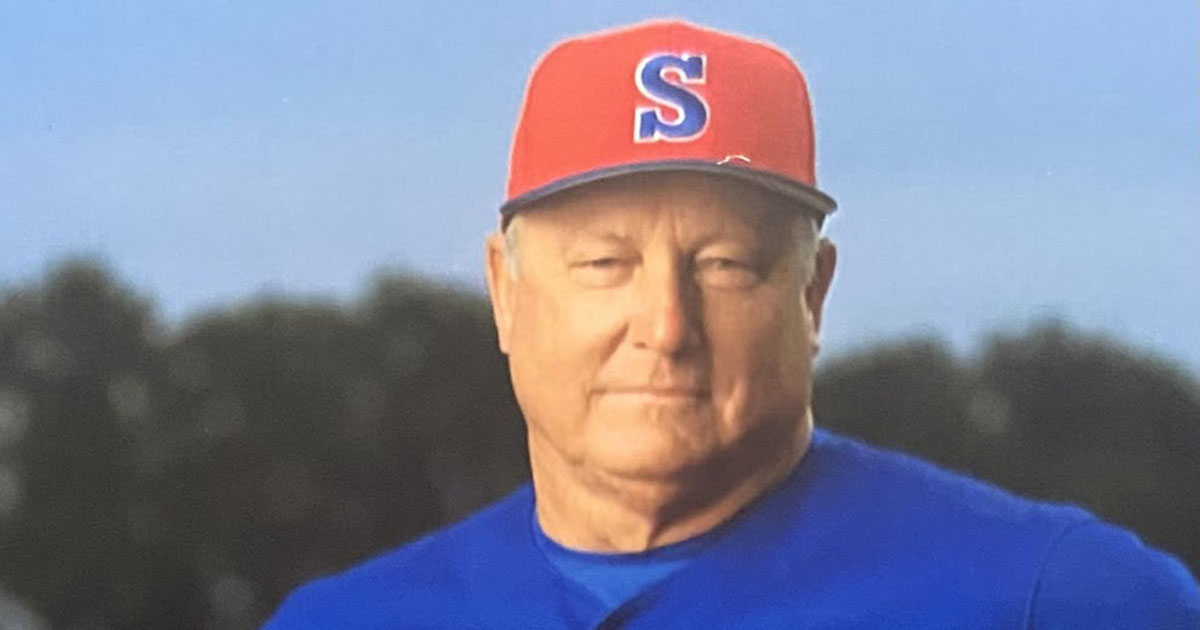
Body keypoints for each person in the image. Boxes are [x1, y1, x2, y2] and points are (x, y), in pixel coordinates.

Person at [265, 19, 1198, 628]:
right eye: (605, 264)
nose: (666, 326)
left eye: (724, 265)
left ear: (813, 293)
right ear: (505, 292)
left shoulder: (1057, 598)